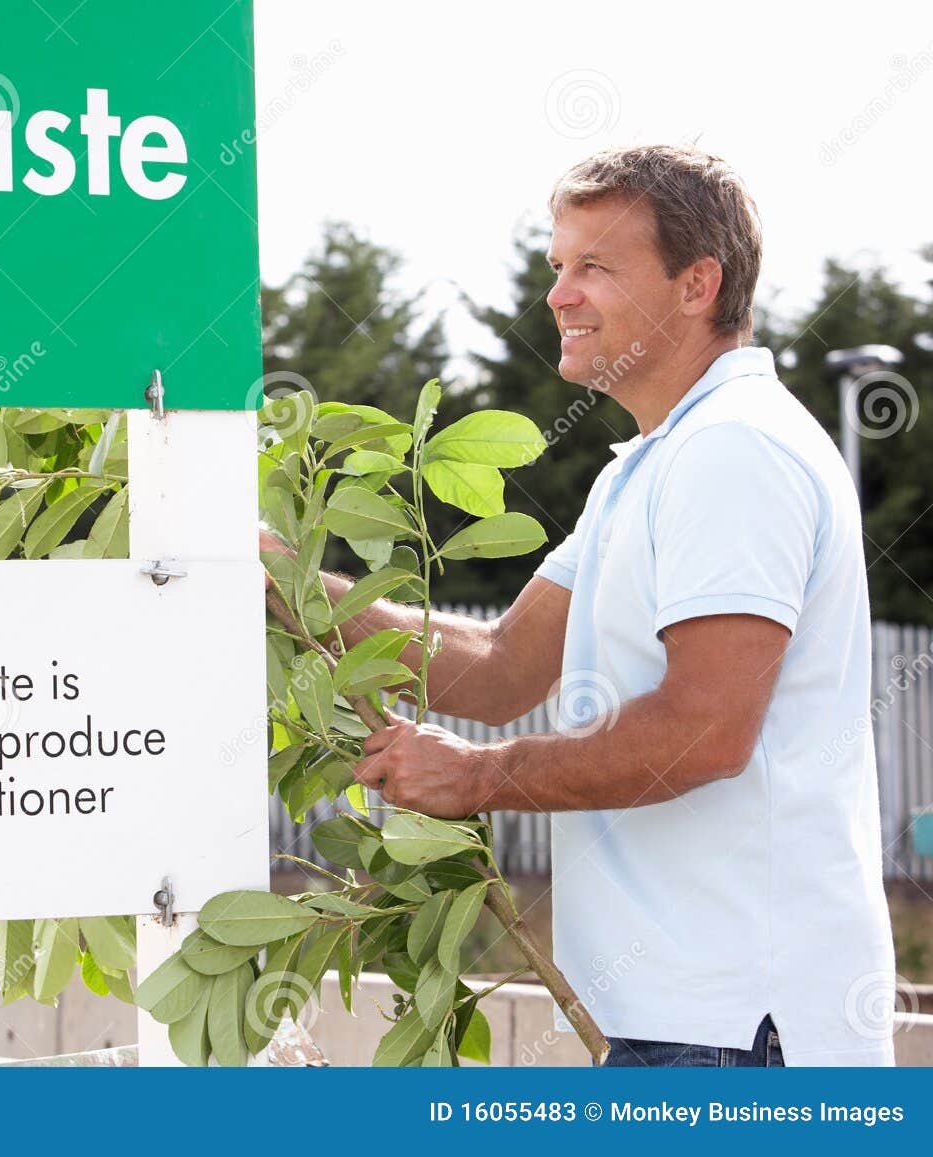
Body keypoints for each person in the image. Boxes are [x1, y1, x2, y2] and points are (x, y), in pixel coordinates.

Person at [263, 145, 896, 1066]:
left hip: (741, 1028)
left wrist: (478, 778)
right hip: (683, 1021)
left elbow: (706, 730)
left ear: (698, 284)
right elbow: (498, 668)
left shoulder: (736, 451)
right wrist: (282, 578)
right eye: (557, 266)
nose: (559, 295)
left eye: (594, 266)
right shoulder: (652, 462)